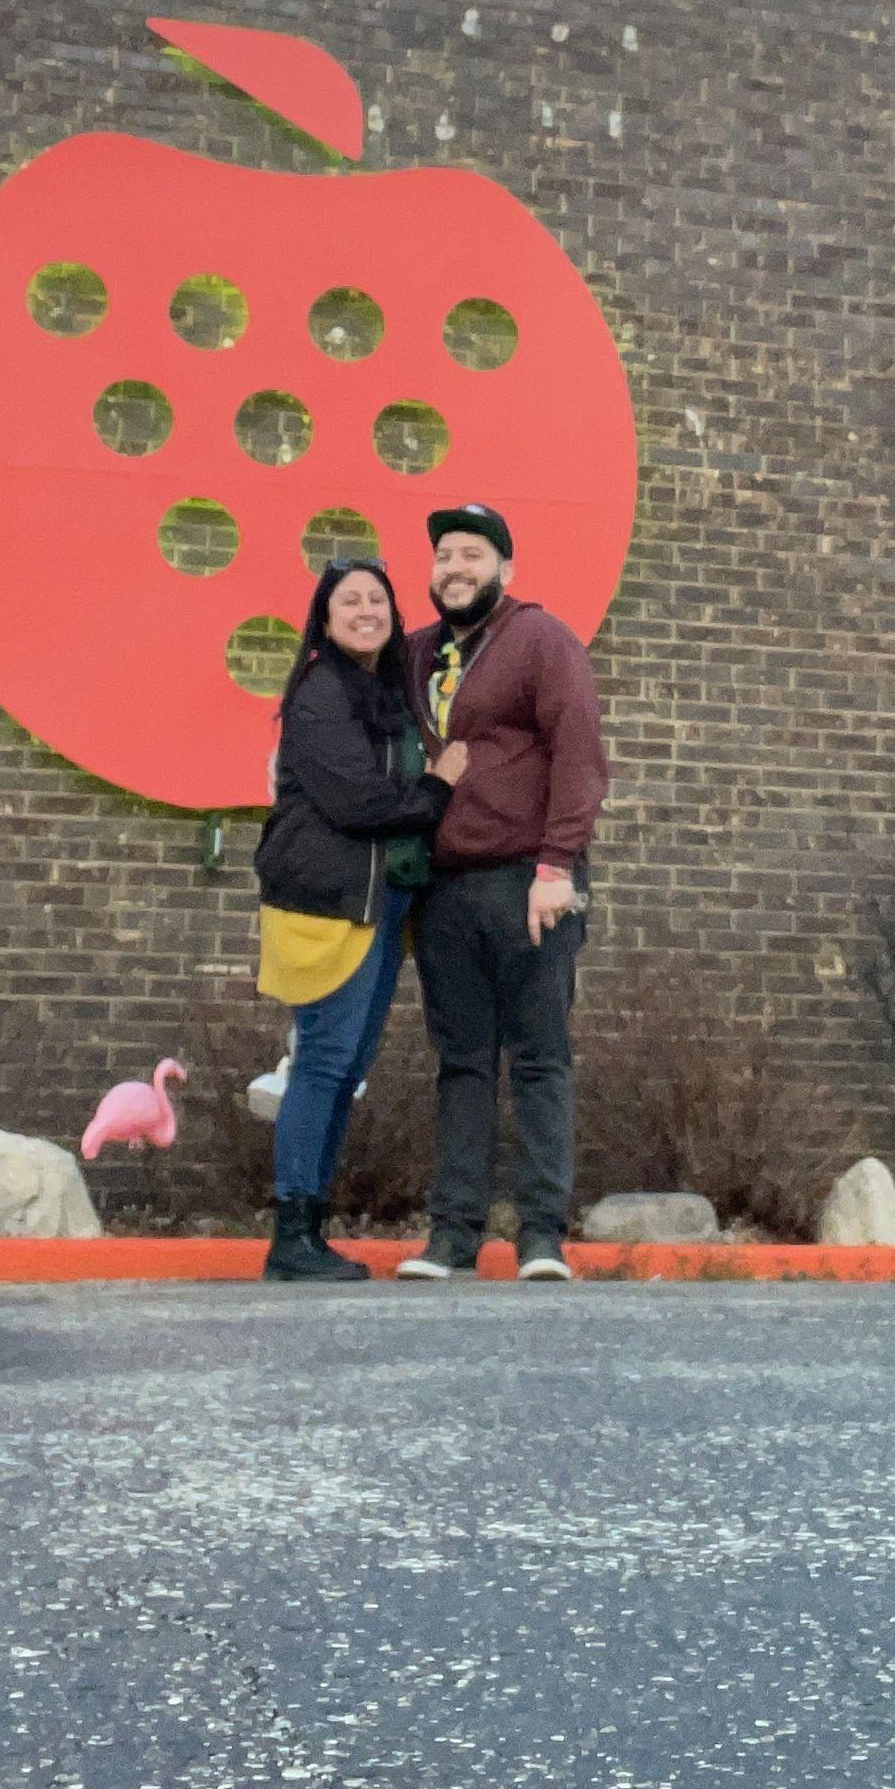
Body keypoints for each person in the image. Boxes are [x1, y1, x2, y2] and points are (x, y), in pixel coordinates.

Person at [397, 502, 610, 1283]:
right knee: (460, 1064)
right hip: (446, 892)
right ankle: (451, 1237)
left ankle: (543, 1237)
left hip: (530, 883)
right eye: (444, 555)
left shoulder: (539, 640)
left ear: (505, 570)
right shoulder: (417, 655)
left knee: (539, 1061)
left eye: (472, 555)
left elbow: (579, 753)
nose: (455, 568)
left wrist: (556, 866)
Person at [250, 560, 467, 1284]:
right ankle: (291, 1235)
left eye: (378, 599)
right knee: (320, 1062)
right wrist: (439, 787)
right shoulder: (321, 692)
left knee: (344, 1071)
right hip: (327, 909)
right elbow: (358, 804)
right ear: (325, 615)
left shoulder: (385, 692)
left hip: (382, 906)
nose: (367, 610)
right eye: (351, 601)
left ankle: (309, 1229)